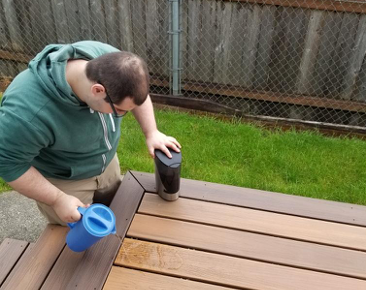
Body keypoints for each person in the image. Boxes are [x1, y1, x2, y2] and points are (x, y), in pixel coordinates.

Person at [0, 41, 181, 226]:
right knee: (79, 243)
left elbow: (134, 93)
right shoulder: (26, 113)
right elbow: (9, 164)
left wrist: (151, 132)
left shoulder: (110, 61)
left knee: (118, 215)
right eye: (119, 110)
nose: (122, 115)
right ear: (98, 91)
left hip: (107, 164)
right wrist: (57, 200)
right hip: (66, 183)